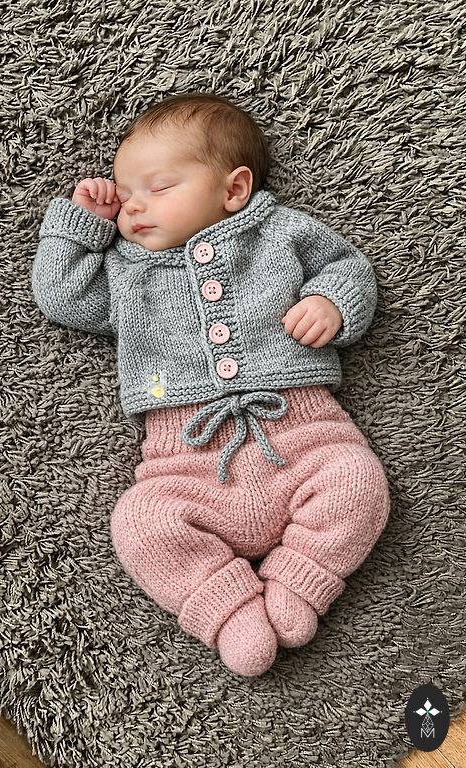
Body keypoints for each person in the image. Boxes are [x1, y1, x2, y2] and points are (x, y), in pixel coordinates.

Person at [31, 92, 390, 677]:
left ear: (234, 189)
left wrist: (332, 302)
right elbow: (62, 296)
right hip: (185, 460)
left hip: (302, 433)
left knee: (357, 481)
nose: (134, 206)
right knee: (139, 521)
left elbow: (347, 266)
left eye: (158, 188)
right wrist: (83, 226)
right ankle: (229, 610)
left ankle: (299, 582)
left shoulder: (281, 232)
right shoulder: (125, 270)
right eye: (125, 195)